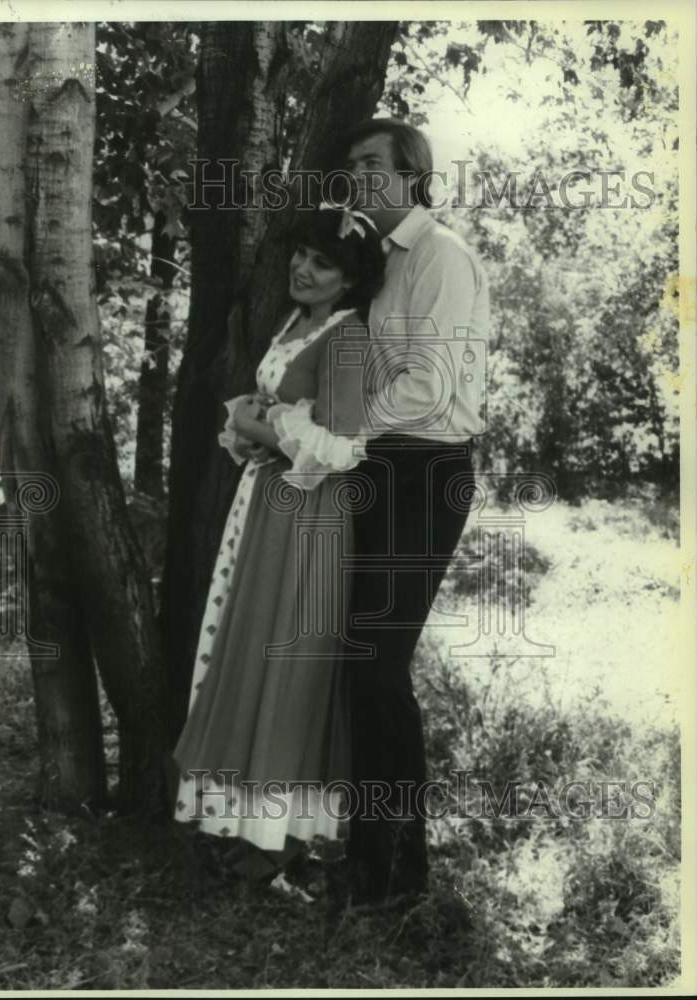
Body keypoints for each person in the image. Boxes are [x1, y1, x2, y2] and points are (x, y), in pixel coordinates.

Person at [170, 204, 386, 892]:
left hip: (309, 514)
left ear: (349, 281)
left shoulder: (348, 339)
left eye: (322, 263)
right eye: (300, 254)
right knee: (251, 650)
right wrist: (251, 424)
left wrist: (253, 425)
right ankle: (244, 828)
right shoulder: (299, 323)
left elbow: (342, 448)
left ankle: (278, 841)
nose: (302, 267)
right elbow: (281, 417)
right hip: (269, 501)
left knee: (285, 661)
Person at [332, 118, 490, 907]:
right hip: (379, 465)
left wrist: (339, 437)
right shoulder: (383, 265)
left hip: (427, 471)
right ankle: (368, 852)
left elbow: (427, 387)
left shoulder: (442, 257)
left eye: (369, 164)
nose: (354, 175)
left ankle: (398, 869)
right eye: (349, 165)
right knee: (358, 656)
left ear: (410, 174)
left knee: (377, 661)